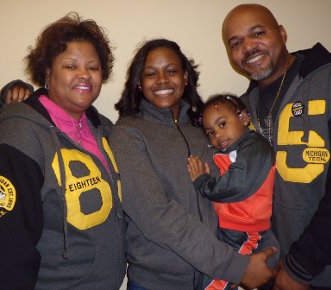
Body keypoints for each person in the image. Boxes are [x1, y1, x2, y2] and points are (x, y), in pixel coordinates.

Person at [222, 4, 331, 289]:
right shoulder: (242, 111)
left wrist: (300, 267)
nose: (248, 47)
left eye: (257, 33)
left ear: (282, 33)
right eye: (236, 43)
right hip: (277, 276)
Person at [109, 38, 276, 290]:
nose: (163, 80)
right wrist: (236, 268)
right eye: (151, 74)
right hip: (160, 283)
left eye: (172, 71)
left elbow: (248, 194)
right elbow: (156, 216)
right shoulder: (128, 133)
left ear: (185, 77)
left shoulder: (207, 129)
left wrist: (262, 255)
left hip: (218, 278)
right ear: (139, 84)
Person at [0, 12, 125, 290]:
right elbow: (7, 240)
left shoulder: (102, 127)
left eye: (93, 67)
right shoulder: (20, 132)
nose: (84, 74)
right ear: (47, 72)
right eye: (71, 65)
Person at [187, 94, 278, 290]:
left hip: (245, 229)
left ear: (244, 119)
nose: (217, 136)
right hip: (230, 227)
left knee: (213, 284)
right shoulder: (235, 149)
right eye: (210, 132)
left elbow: (237, 184)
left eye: (222, 124)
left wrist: (203, 182)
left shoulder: (256, 148)